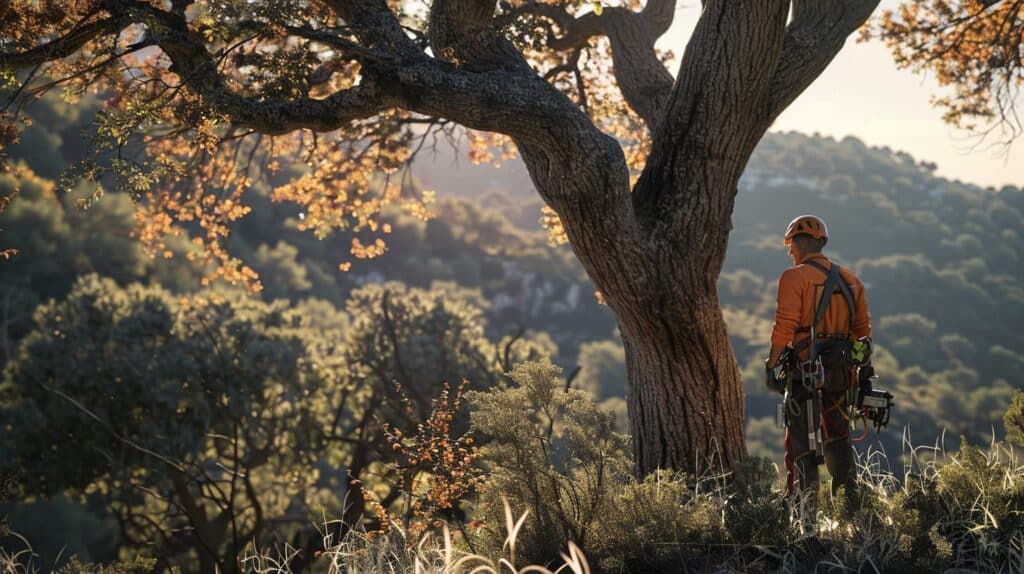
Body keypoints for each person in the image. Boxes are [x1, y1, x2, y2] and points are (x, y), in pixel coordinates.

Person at [765, 215, 872, 521]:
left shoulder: (793, 277)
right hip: (841, 372)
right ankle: (849, 511)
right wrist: (861, 374)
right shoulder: (852, 280)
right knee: (838, 437)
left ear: (800, 244)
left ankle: (803, 516)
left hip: (805, 370)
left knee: (800, 442)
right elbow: (862, 332)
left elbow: (784, 327)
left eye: (791, 245)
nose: (789, 253)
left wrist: (771, 365)